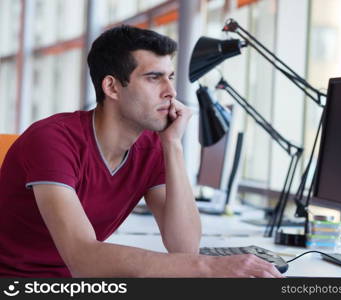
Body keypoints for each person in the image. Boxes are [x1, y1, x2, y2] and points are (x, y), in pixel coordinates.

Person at [0, 25, 282, 278]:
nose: (171, 91)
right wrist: (209, 266)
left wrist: (173, 146)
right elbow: (83, 258)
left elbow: (184, 247)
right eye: (153, 78)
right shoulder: (52, 140)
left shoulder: (152, 146)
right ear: (111, 87)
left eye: (170, 77)